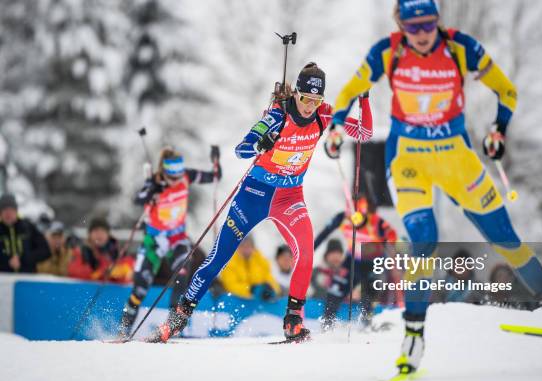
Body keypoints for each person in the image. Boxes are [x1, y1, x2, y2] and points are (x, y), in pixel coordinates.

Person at [330, 0, 542, 375]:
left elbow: (506, 91)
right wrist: (335, 125)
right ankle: (414, 337)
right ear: (400, 24)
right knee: (424, 240)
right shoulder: (388, 51)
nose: (423, 34)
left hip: (456, 159)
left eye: (429, 25)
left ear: (437, 21)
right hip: (408, 161)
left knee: (504, 237)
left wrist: (499, 129)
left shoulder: (461, 48)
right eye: (414, 28)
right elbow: (349, 90)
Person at [147, 62, 372, 343]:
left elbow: (364, 133)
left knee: (306, 250)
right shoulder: (277, 115)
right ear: (296, 95)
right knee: (219, 258)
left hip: (289, 198)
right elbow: (241, 149)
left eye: (316, 101)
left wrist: (363, 98)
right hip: (254, 195)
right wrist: (259, 143)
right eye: (305, 99)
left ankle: (293, 320)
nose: (309, 107)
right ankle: (178, 318)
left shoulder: (324, 116)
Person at [118, 147, 221, 338]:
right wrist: (151, 192)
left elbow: (214, 177)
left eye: (178, 176)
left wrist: (216, 165)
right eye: (171, 177)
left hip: (177, 238)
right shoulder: (155, 182)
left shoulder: (186, 176)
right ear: (164, 172)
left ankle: (170, 328)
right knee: (140, 288)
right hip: (155, 240)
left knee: (183, 271)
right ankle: (123, 332)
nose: (175, 181)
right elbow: (137, 199)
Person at [314, 194, 397, 325]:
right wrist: (310, 250)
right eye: (350, 218)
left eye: (358, 219)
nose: (353, 223)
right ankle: (327, 324)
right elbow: (324, 233)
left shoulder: (376, 222)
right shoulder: (341, 218)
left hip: (373, 262)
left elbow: (392, 237)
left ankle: (367, 325)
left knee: (369, 294)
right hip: (352, 261)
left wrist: (387, 246)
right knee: (335, 290)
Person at [68, 217, 133, 282]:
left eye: (103, 231)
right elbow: (73, 272)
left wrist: (121, 272)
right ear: (90, 234)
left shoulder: (117, 251)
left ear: (108, 234)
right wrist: (99, 273)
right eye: (96, 231)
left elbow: (130, 270)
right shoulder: (82, 251)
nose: (99, 235)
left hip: (113, 291)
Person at [218, 235, 280, 300]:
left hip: (257, 302)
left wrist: (271, 288)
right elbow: (230, 285)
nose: (245, 249)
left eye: (248, 246)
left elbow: (270, 279)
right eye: (242, 246)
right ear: (237, 247)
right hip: (236, 301)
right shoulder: (229, 263)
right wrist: (250, 289)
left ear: (253, 247)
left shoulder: (260, 261)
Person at [0, 193, 50, 273]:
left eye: (11, 209)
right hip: (3, 281)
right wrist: (7, 261)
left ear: (16, 211)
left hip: (27, 279)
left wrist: (23, 259)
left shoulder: (28, 227)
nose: (8, 213)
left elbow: (45, 251)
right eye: (4, 209)